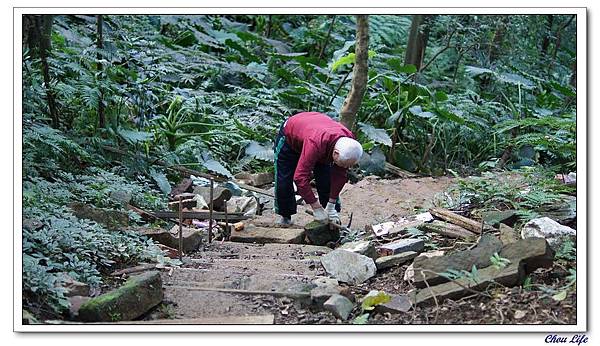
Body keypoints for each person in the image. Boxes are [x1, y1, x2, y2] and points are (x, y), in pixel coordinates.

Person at [273, 112, 363, 225]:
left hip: (321, 140)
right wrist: (316, 207)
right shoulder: (315, 144)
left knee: (326, 179)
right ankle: (285, 216)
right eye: (343, 164)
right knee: (284, 180)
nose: (345, 168)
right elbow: (300, 178)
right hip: (290, 138)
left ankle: (331, 213)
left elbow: (340, 175)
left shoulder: (348, 142)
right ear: (335, 154)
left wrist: (331, 205)